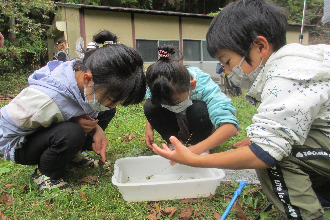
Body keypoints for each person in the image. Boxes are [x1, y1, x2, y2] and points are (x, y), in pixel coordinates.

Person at [152, 1, 330, 220]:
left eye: (227, 62)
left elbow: (265, 153)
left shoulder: (286, 75)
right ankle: (322, 193)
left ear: (260, 46)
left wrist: (194, 159)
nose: (227, 72)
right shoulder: (297, 61)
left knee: (273, 156)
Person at [0, 30, 146, 194]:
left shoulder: (85, 71)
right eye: (113, 99)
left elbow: (78, 109)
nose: (114, 105)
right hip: (19, 144)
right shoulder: (44, 101)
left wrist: (95, 128)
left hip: (54, 127)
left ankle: (72, 154)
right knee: (72, 132)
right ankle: (46, 173)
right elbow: (5, 127)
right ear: (87, 79)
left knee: (104, 111)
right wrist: (72, 121)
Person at [144, 45, 239, 156]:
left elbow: (230, 126)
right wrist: (149, 127)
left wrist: (195, 150)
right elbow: (153, 107)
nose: (172, 106)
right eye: (166, 104)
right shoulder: (157, 84)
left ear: (192, 85)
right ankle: (175, 143)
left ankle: (199, 144)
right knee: (150, 105)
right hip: (176, 125)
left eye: (177, 101)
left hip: (201, 125)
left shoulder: (203, 84)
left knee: (199, 108)